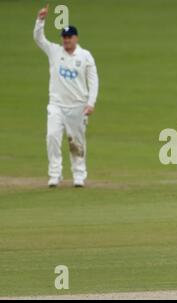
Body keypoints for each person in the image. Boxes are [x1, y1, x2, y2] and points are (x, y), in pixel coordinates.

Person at [33, 5, 99, 187]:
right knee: (52, 136)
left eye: (69, 37)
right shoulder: (55, 51)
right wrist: (40, 20)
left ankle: (79, 175)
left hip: (78, 106)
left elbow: (93, 81)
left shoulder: (85, 56)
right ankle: (55, 174)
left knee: (76, 143)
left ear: (76, 38)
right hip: (56, 105)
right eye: (64, 37)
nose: (66, 40)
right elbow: (39, 39)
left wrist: (91, 103)